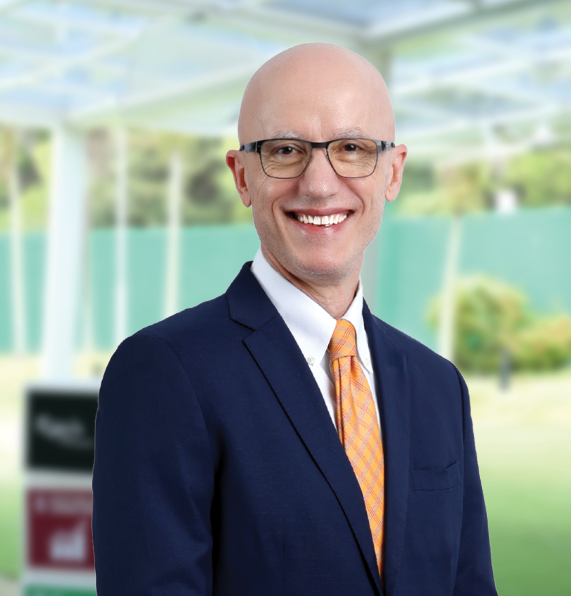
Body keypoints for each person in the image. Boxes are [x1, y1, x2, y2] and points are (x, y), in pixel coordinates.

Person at [92, 43, 497, 596]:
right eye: (285, 150)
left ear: (393, 171)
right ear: (242, 176)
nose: (320, 184)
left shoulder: (439, 386)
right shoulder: (164, 372)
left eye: (352, 148)